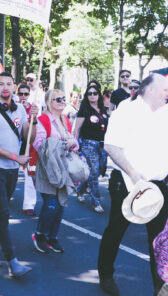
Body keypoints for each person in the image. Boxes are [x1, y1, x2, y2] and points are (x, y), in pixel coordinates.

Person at [98, 73, 168, 296]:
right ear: (149, 90)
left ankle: (160, 287)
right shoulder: (125, 112)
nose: (167, 93)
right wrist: (133, 172)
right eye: (164, 89)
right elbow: (111, 146)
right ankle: (106, 275)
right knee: (116, 231)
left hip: (158, 185)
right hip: (128, 184)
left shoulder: (166, 114)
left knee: (159, 240)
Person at [0, 72, 37, 277]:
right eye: (1, 84)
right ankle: (12, 261)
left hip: (13, 170)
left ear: (14, 87)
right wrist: (15, 156)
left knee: (0, 211)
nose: (5, 87)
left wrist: (34, 120)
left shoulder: (20, 108)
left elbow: (27, 137)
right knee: (3, 213)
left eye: (9, 84)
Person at [32, 89, 79, 254]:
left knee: (61, 205)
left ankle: (53, 237)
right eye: (57, 99)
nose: (62, 101)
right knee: (51, 204)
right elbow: (38, 144)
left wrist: (73, 143)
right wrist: (62, 144)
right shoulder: (43, 120)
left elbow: (73, 143)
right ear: (49, 102)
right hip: (48, 168)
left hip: (63, 168)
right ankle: (40, 235)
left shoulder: (65, 119)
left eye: (63, 98)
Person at [73, 84, 109, 213]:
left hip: (102, 145)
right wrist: (75, 145)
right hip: (88, 144)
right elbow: (76, 129)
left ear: (99, 95)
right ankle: (96, 202)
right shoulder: (84, 110)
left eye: (95, 93)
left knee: (99, 171)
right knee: (93, 171)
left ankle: (81, 190)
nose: (92, 95)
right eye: (89, 93)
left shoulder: (103, 109)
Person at [16, 83, 37, 217]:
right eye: (21, 93)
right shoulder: (12, 107)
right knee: (9, 171)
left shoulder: (33, 109)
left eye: (26, 94)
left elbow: (35, 128)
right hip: (13, 143)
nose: (23, 96)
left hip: (27, 143)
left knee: (30, 174)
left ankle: (29, 205)